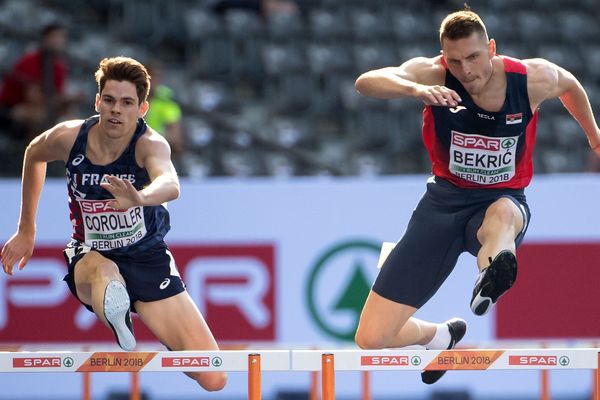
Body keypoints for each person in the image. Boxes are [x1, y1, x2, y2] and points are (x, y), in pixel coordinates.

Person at [353, 6, 600, 385]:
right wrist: (416, 90)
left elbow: (569, 85)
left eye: (473, 57)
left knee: (502, 216)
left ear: (492, 48)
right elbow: (366, 81)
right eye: (455, 60)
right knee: (371, 338)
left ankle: (493, 271)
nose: (466, 71)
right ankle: (440, 337)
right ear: (444, 57)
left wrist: (594, 137)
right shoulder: (435, 74)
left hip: (503, 197)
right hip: (443, 203)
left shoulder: (530, 78)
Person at [0, 56, 227, 392]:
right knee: (106, 273)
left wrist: (141, 197)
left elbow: (170, 183)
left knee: (213, 376)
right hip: (90, 256)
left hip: (146, 258)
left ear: (142, 109)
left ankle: (148, 319)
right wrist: (26, 229)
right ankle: (117, 314)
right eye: (109, 100)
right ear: (97, 102)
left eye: (126, 103)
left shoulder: (149, 144)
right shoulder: (69, 137)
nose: (116, 110)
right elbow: (34, 153)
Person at [0, 23, 82, 145]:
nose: (58, 41)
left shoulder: (58, 67)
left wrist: (67, 101)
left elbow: (55, 96)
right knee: (40, 116)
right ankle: (29, 155)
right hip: (10, 107)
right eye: (54, 37)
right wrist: (62, 99)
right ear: (44, 39)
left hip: (42, 107)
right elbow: (33, 97)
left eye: (61, 38)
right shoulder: (29, 61)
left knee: (73, 120)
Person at [144, 61, 187, 175]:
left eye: (157, 76)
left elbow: (175, 136)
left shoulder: (167, 101)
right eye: (149, 76)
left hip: (158, 152)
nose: (153, 80)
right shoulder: (126, 98)